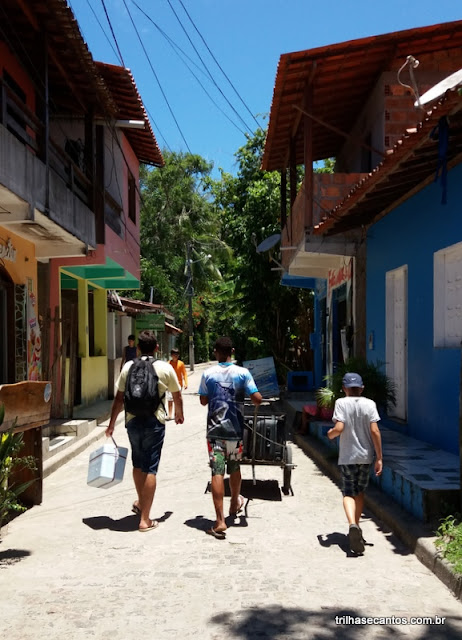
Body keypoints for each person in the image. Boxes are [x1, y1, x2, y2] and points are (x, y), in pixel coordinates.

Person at [106, 330, 184, 532]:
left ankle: (141, 504)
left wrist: (111, 424)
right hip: (154, 421)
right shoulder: (165, 367)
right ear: (157, 347)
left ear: (138, 348)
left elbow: (118, 399)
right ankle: (145, 519)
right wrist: (179, 414)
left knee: (137, 463)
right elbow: (177, 395)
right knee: (151, 467)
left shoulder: (128, 367)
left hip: (132, 420)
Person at [198, 336, 262, 539]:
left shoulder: (208, 374)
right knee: (234, 467)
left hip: (215, 432)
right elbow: (257, 398)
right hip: (235, 431)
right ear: (232, 351)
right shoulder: (243, 373)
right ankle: (234, 502)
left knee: (217, 472)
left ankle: (219, 521)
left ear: (216, 352)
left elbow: (202, 400)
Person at [327, 372, 383, 554]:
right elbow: (375, 431)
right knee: (360, 492)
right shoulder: (370, 404)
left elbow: (340, 427)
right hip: (366, 457)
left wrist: (331, 434)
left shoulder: (341, 403)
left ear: (344, 388)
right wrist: (380, 457)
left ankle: (352, 524)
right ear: (362, 388)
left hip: (348, 457)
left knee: (348, 493)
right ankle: (357, 526)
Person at [166, 348, 188, 420]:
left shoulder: (181, 364)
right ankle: (170, 414)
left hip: (179, 384)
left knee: (177, 400)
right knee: (170, 399)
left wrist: (186, 383)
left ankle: (176, 414)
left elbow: (184, 373)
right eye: (174, 355)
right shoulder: (168, 363)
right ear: (171, 355)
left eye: (177, 355)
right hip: (170, 384)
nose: (175, 356)